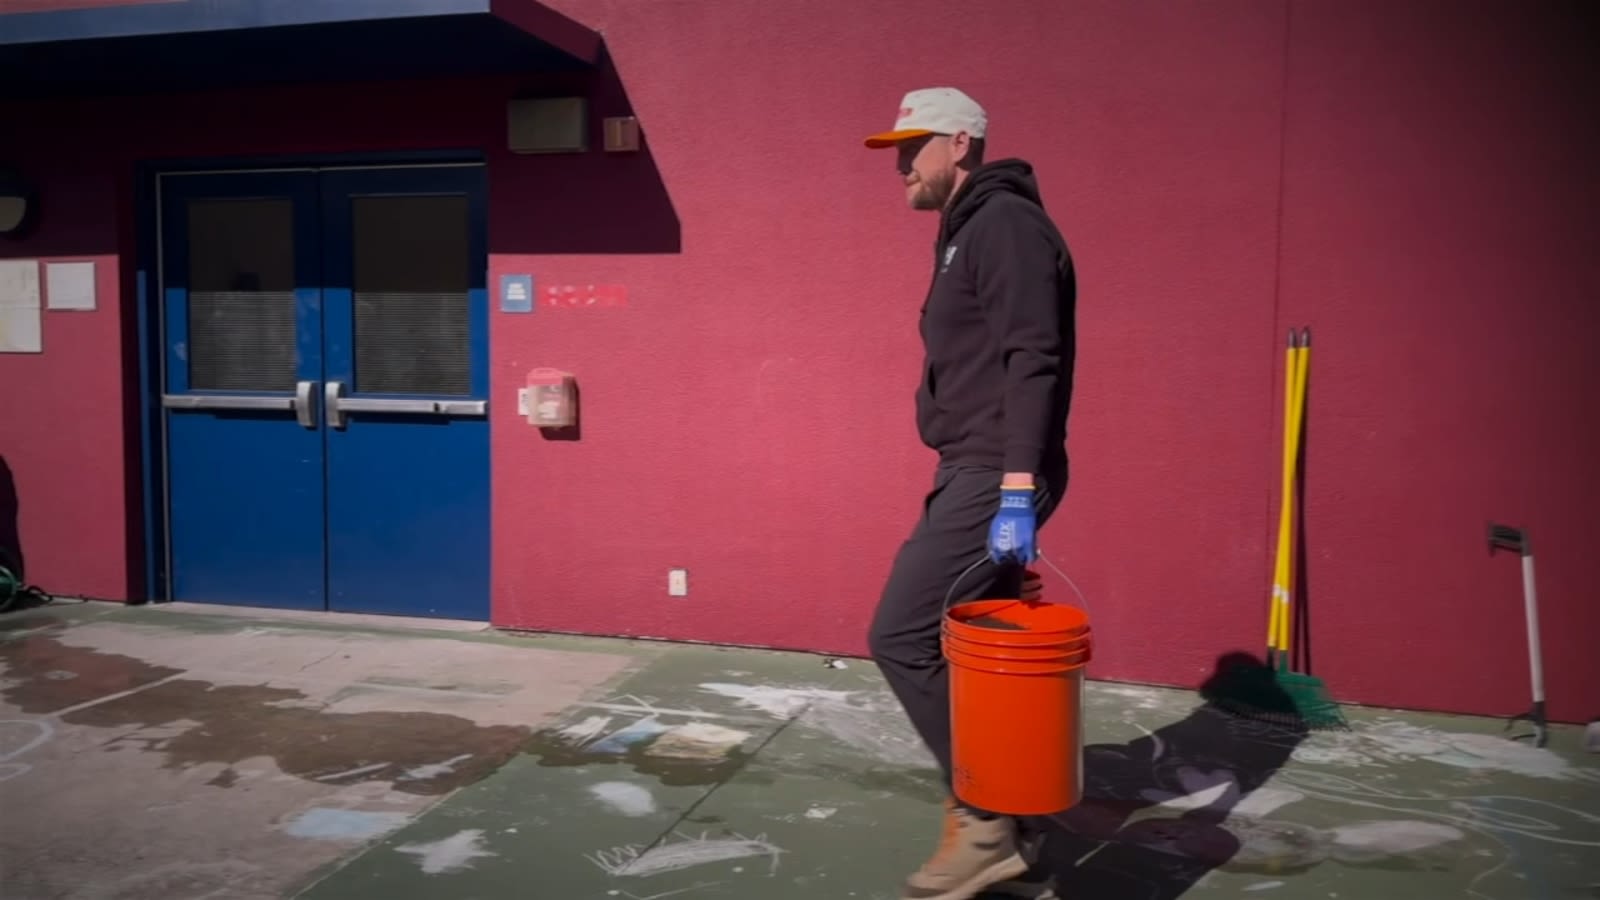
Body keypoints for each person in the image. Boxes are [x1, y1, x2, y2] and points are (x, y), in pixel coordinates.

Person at [863, 87, 1076, 900]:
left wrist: (1017, 490)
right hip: (972, 466)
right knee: (959, 643)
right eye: (893, 149)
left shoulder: (1006, 225)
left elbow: (1034, 358)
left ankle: (988, 820)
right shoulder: (966, 232)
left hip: (995, 470)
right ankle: (1017, 826)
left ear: (960, 143)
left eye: (911, 146)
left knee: (902, 633)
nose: (899, 165)